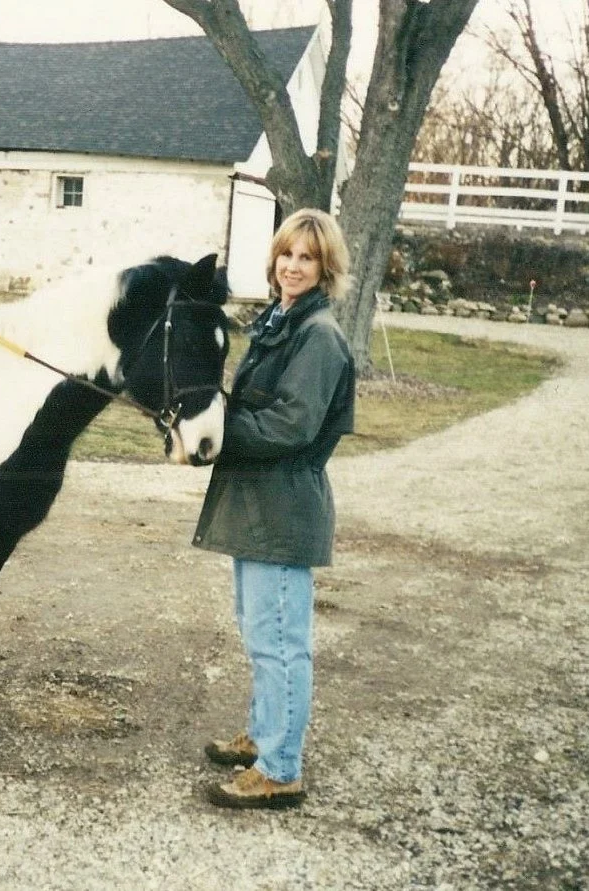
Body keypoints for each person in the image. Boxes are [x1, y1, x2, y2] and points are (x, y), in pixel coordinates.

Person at [193, 207, 356, 810]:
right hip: (259, 502)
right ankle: (264, 736)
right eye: (287, 254)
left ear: (325, 267)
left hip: (285, 506)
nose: (293, 265)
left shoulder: (319, 337)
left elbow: (291, 425)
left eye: (307, 257)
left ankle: (282, 767)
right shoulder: (282, 320)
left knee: (282, 641)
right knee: (261, 630)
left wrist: (218, 429)